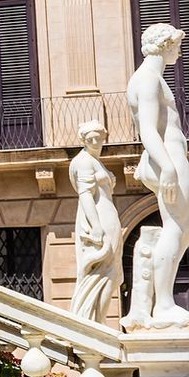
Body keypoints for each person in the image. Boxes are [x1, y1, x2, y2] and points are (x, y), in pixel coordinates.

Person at [128, 23, 189, 327]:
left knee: (183, 229)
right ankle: (163, 305)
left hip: (170, 157)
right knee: (176, 227)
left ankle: (162, 301)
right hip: (167, 158)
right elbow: (149, 130)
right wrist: (166, 166)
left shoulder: (152, 78)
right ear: (165, 44)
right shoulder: (148, 79)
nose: (179, 50)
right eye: (177, 44)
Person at [68, 119, 121, 324]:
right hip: (98, 216)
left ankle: (98, 321)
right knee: (105, 270)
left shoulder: (96, 160)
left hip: (108, 214)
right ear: (84, 139)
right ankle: (93, 322)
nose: (96, 142)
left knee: (113, 273)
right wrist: (96, 226)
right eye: (91, 139)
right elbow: (85, 195)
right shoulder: (83, 161)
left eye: (99, 138)